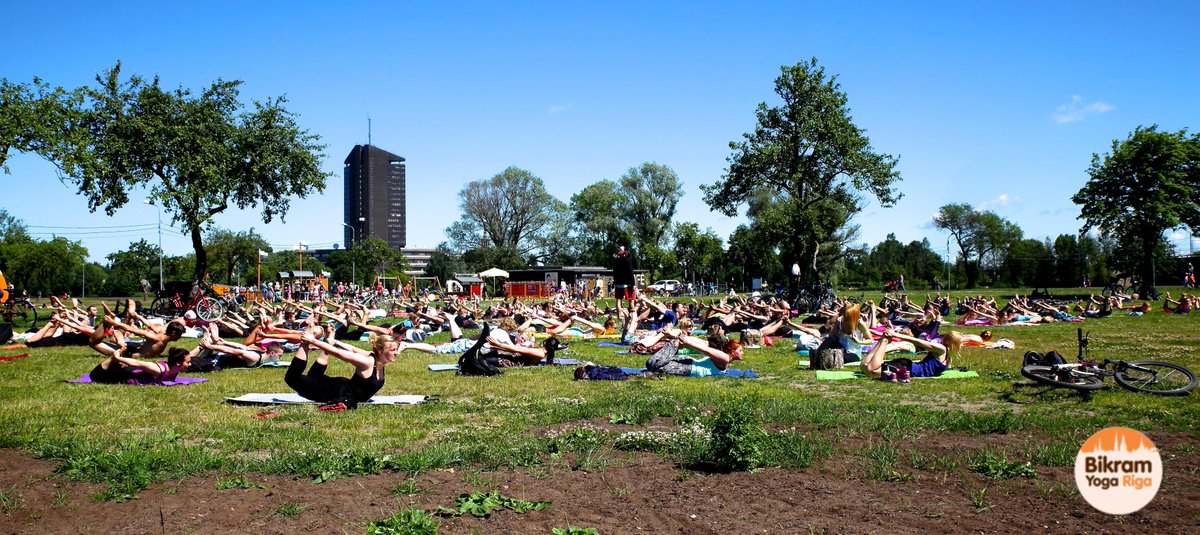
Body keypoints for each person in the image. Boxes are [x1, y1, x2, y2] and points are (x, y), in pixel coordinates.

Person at [289, 326, 400, 411]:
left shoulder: (377, 359)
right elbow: (337, 353)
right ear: (381, 351)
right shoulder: (367, 362)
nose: (397, 353)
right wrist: (311, 340)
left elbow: (352, 349)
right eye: (393, 350)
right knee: (292, 378)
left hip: (341, 388)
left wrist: (334, 342)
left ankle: (326, 342)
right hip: (332, 392)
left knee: (314, 376)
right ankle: (304, 343)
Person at [861, 329, 964, 381]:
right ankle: (883, 341)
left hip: (908, 368)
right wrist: (896, 335)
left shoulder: (948, 355)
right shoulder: (941, 349)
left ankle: (882, 340)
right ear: (953, 343)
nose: (962, 345)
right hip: (907, 367)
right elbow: (918, 342)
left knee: (865, 367)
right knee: (871, 370)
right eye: (961, 343)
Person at [644, 325, 743, 377]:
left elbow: (705, 348)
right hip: (687, 367)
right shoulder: (725, 358)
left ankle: (673, 339)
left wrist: (686, 341)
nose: (742, 353)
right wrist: (686, 342)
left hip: (686, 366)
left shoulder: (725, 359)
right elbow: (705, 350)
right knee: (652, 364)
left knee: (653, 366)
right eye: (740, 350)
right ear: (732, 351)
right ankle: (671, 339)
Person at [88, 346, 196, 385]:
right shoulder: (158, 369)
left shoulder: (176, 368)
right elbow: (137, 363)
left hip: (129, 371)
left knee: (118, 367)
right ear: (178, 363)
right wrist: (118, 358)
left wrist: (201, 346)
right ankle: (113, 358)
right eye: (188, 362)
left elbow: (190, 356)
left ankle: (116, 361)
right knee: (95, 376)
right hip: (121, 376)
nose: (190, 364)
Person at [612, 246, 636, 316]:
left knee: (618, 299)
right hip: (628, 283)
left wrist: (615, 283)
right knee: (631, 300)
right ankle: (633, 315)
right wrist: (633, 283)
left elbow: (614, 273)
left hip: (618, 283)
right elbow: (630, 272)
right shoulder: (628, 260)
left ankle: (619, 315)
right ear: (625, 252)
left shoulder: (615, 261)